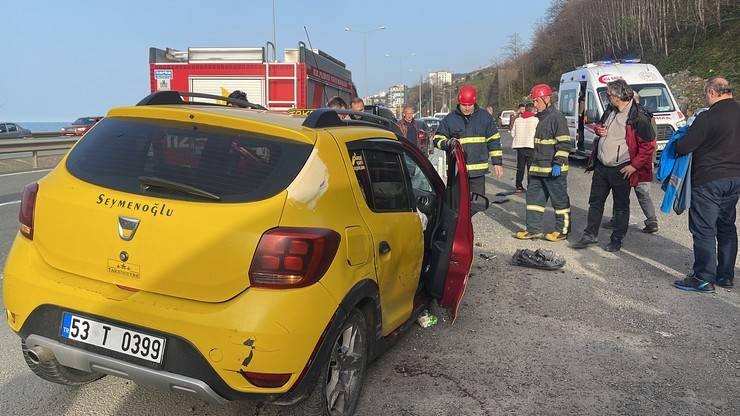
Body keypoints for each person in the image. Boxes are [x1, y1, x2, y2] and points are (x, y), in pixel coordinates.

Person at [571, 79, 656, 252]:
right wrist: (598, 130)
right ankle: (590, 234)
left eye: (609, 94)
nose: (607, 97)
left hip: (622, 167)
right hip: (602, 165)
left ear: (618, 96)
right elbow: (600, 125)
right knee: (595, 202)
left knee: (621, 206)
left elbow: (649, 145)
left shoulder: (638, 116)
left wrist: (634, 166)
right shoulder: (611, 109)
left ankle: (616, 239)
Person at [672, 77, 740, 292]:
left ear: (712, 92)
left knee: (704, 228)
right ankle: (725, 276)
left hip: (709, 180)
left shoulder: (707, 117)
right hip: (736, 179)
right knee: (727, 226)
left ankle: (703, 277)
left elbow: (683, 147)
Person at [515, 84, 571, 242]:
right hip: (538, 169)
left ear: (546, 100)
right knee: (533, 200)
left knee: (559, 202)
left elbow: (564, 143)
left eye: (536, 101)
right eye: (533, 102)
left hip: (554, 170)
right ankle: (533, 230)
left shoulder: (557, 117)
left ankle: (562, 230)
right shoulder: (539, 119)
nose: (535, 105)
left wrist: (558, 163)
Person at [602, 91, 659, 234]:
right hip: (638, 161)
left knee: (629, 191)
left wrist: (645, 161)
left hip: (639, 162)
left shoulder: (642, 116)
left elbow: (650, 142)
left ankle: (647, 221)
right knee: (631, 192)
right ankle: (650, 221)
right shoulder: (645, 114)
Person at [434, 85, 503, 197]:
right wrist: (447, 143)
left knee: (477, 202)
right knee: (457, 206)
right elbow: (436, 139)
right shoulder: (450, 119)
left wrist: (497, 162)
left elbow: (494, 140)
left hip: (478, 172)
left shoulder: (485, 117)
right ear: (459, 102)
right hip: (457, 172)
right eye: (464, 105)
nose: (467, 108)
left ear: (474, 102)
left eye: (469, 105)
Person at [510, 102, 538, 193]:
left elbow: (512, 133)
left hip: (520, 146)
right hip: (531, 146)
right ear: (533, 110)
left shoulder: (518, 120)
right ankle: (531, 186)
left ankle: (518, 186)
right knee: (531, 168)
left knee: (520, 167)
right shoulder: (536, 120)